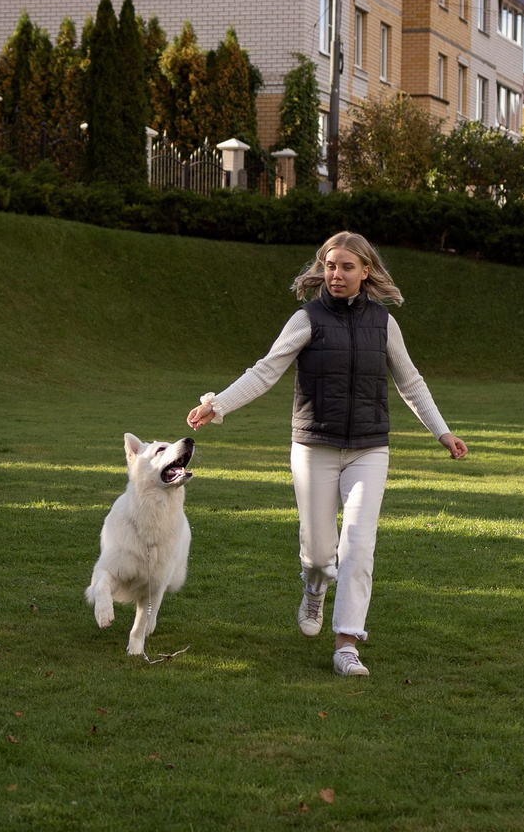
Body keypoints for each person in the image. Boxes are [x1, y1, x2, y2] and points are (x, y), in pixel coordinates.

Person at [187, 231, 466, 676]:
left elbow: (410, 381)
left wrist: (442, 432)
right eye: (330, 266)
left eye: (347, 267)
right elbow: (265, 372)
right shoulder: (307, 319)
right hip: (313, 446)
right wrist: (215, 404)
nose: (336, 275)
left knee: (358, 544)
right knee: (319, 554)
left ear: (366, 271)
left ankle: (347, 644)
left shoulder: (383, 323)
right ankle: (314, 590)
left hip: (369, 449)